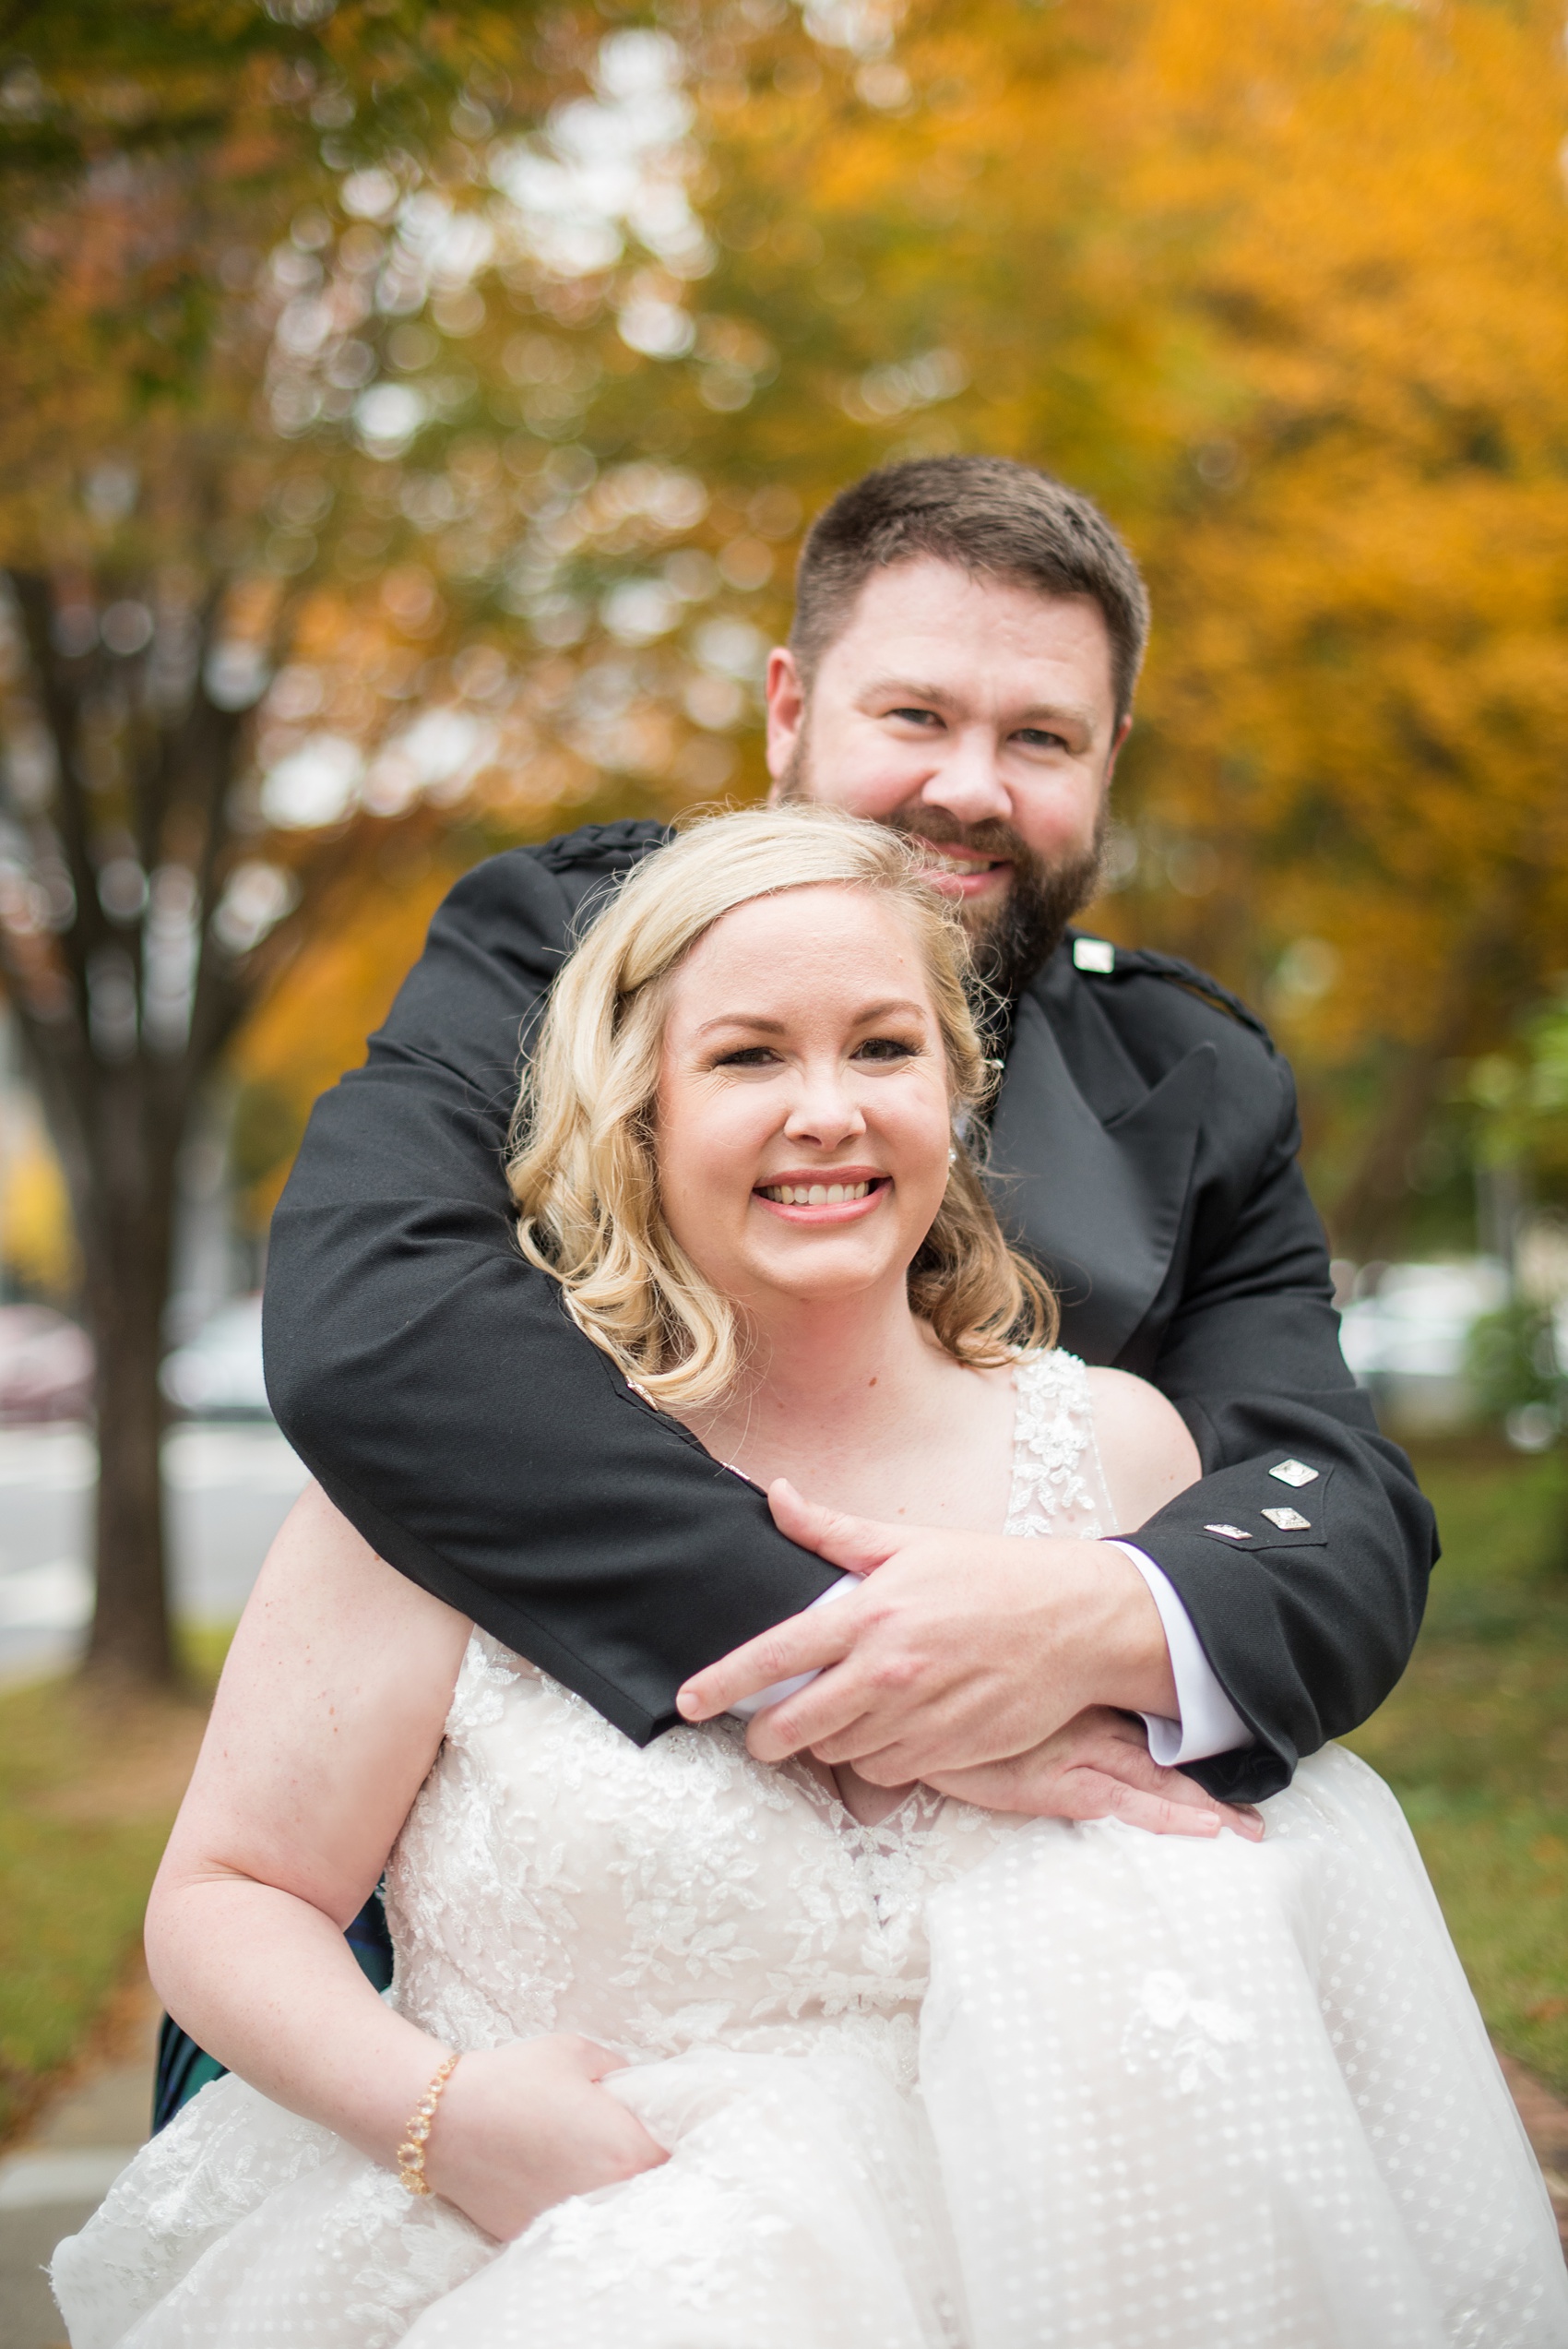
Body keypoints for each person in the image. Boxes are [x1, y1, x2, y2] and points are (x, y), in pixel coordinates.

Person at [53, 812, 1565, 2346]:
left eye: (883, 1048)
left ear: (957, 1094)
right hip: (559, 2264)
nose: (828, 1111)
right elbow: (227, 1895)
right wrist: (441, 2112)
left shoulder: (1119, 1456)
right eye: (750, 1057)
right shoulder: (450, 1484)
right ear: (637, 1105)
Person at [152, 454, 1432, 2121]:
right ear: (788, 707)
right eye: (914, 715)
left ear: (1110, 759)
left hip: (1023, 2031)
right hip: (542, 1958)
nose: (968, 787)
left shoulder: (1196, 1071)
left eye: (1039, 737)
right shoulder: (564, 950)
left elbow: (1327, 1491)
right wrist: (853, 1661)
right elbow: (382, 1326)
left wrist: (1089, 1615)